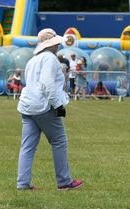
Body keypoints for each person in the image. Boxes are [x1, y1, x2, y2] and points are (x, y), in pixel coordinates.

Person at [16, 29, 83, 191]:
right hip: (44, 106)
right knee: (59, 141)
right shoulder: (50, 59)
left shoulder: (33, 59)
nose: (58, 45)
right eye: (56, 43)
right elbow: (47, 83)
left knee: (27, 146)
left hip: (27, 106)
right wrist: (58, 105)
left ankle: (23, 183)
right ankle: (64, 181)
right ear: (51, 44)